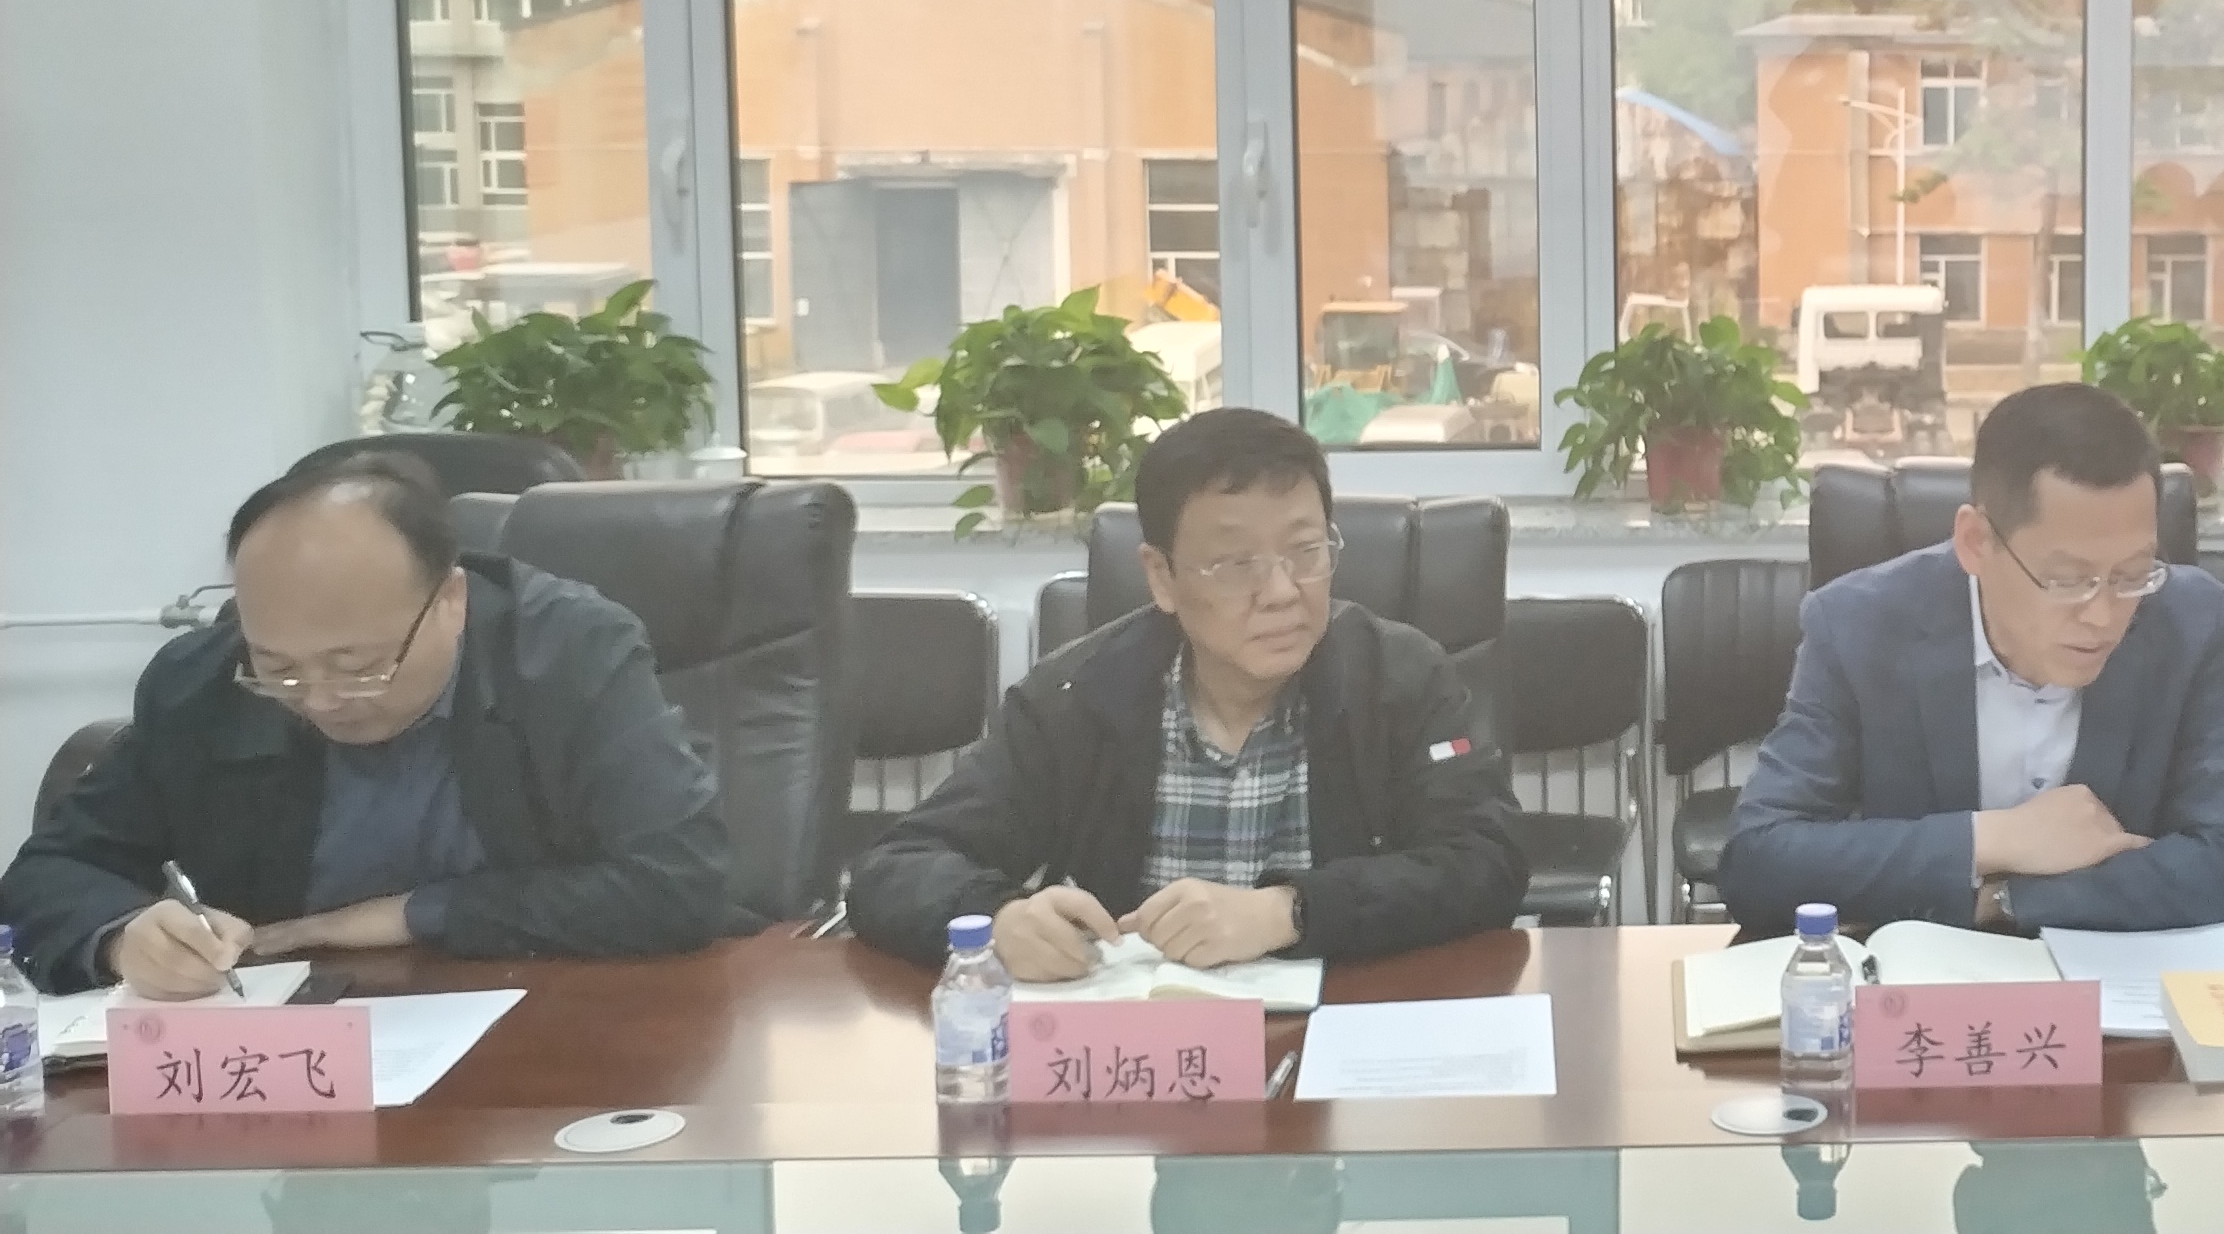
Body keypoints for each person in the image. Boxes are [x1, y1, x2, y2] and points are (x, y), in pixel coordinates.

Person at [0, 453, 732, 998]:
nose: (319, 699)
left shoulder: (566, 655)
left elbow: (679, 882)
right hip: (300, 1051)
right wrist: (122, 937)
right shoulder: (202, 686)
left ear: (450, 600)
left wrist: (403, 916)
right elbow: (48, 875)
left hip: (552, 1028)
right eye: (278, 667)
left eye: (357, 666)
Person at [851, 407, 1521, 977]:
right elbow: (896, 867)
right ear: (1162, 577)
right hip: (1139, 1052)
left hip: (1338, 1036)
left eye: (1306, 551)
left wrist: (1288, 911)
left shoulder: (1400, 679)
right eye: (1235, 564)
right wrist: (996, 920)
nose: (1282, 592)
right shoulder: (1073, 697)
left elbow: (1486, 861)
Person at [1721, 383, 2224, 937]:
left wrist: (2003, 900)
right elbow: (1758, 859)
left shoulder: (2188, 623)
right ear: (1976, 542)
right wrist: (1993, 838)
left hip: (2112, 982)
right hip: (1921, 982)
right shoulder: (1858, 626)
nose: (2103, 615)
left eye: (2132, 574)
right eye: (2067, 579)